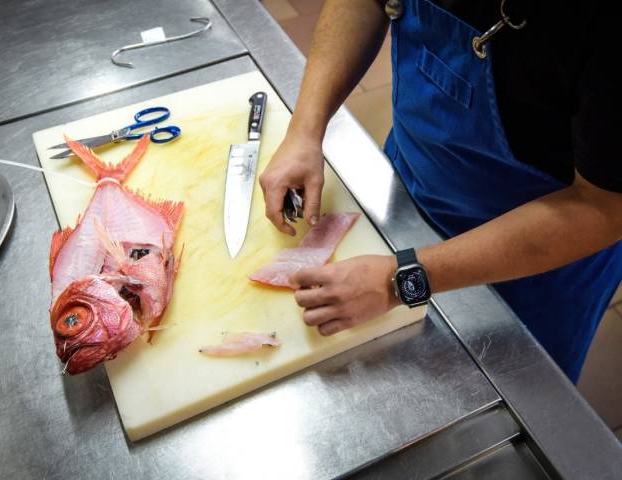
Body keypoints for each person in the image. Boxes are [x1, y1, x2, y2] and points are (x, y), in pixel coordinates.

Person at [258, 0, 622, 382]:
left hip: (538, 263)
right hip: (407, 184)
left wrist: (399, 280)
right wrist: (305, 130)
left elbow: (604, 206)